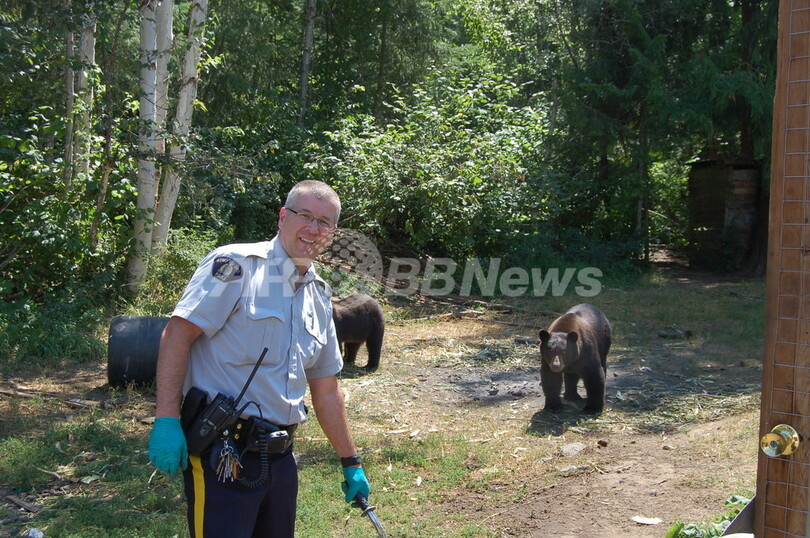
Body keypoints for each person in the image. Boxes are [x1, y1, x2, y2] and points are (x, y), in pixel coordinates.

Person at [147, 180, 371, 537]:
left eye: (324, 222)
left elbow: (326, 390)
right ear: (283, 217)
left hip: (280, 461)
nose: (313, 228)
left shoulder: (319, 294)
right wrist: (166, 420)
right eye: (305, 216)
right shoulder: (237, 265)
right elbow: (177, 336)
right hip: (223, 456)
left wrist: (350, 461)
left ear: (332, 233)